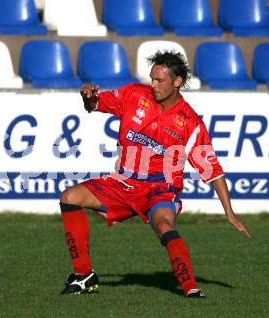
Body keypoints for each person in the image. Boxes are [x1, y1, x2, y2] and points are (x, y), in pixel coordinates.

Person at [59, 50, 251, 298]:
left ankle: (191, 288)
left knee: (164, 225)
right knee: (69, 197)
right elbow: (94, 105)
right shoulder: (133, 94)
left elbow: (213, 171)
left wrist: (229, 212)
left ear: (177, 81)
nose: (153, 85)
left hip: (158, 188)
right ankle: (84, 276)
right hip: (123, 182)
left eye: (160, 80)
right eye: (152, 78)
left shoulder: (190, 122)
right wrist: (88, 97)